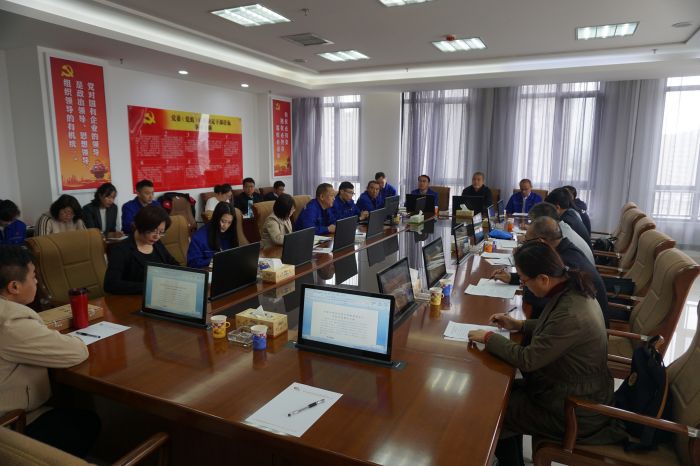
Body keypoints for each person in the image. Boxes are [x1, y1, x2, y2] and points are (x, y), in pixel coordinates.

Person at [469, 241, 624, 466]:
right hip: (570, 391)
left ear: (543, 279)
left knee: (494, 410)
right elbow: (554, 328)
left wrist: (488, 337)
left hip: (575, 410)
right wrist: (520, 325)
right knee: (499, 393)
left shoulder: (571, 311)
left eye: (524, 281)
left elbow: (527, 359)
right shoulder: (571, 287)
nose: (524, 285)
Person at [0, 245, 99, 458]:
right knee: (85, 422)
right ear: (14, 286)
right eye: (33, 276)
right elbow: (76, 352)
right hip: (8, 428)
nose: (36, 282)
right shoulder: (11, 321)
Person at [491, 217, 609, 325]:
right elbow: (540, 280)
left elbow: (536, 299)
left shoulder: (564, 261)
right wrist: (514, 277)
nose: (524, 245)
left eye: (526, 242)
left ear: (540, 242)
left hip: (578, 329)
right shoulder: (564, 249)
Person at [104, 205, 178, 294]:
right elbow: (111, 284)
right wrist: (150, 286)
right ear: (141, 227)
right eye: (153, 231)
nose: (157, 236)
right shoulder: (121, 250)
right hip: (132, 299)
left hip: (159, 294)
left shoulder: (156, 243)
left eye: (161, 232)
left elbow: (173, 264)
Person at [529, 202, 594, 265]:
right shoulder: (560, 227)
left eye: (532, 222)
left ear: (543, 223)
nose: (531, 226)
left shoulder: (558, 236)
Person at [187, 202, 238, 268]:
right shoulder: (199, 237)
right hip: (206, 271)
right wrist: (212, 261)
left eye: (229, 222)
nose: (225, 226)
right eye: (223, 221)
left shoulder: (230, 233)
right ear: (216, 218)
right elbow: (192, 263)